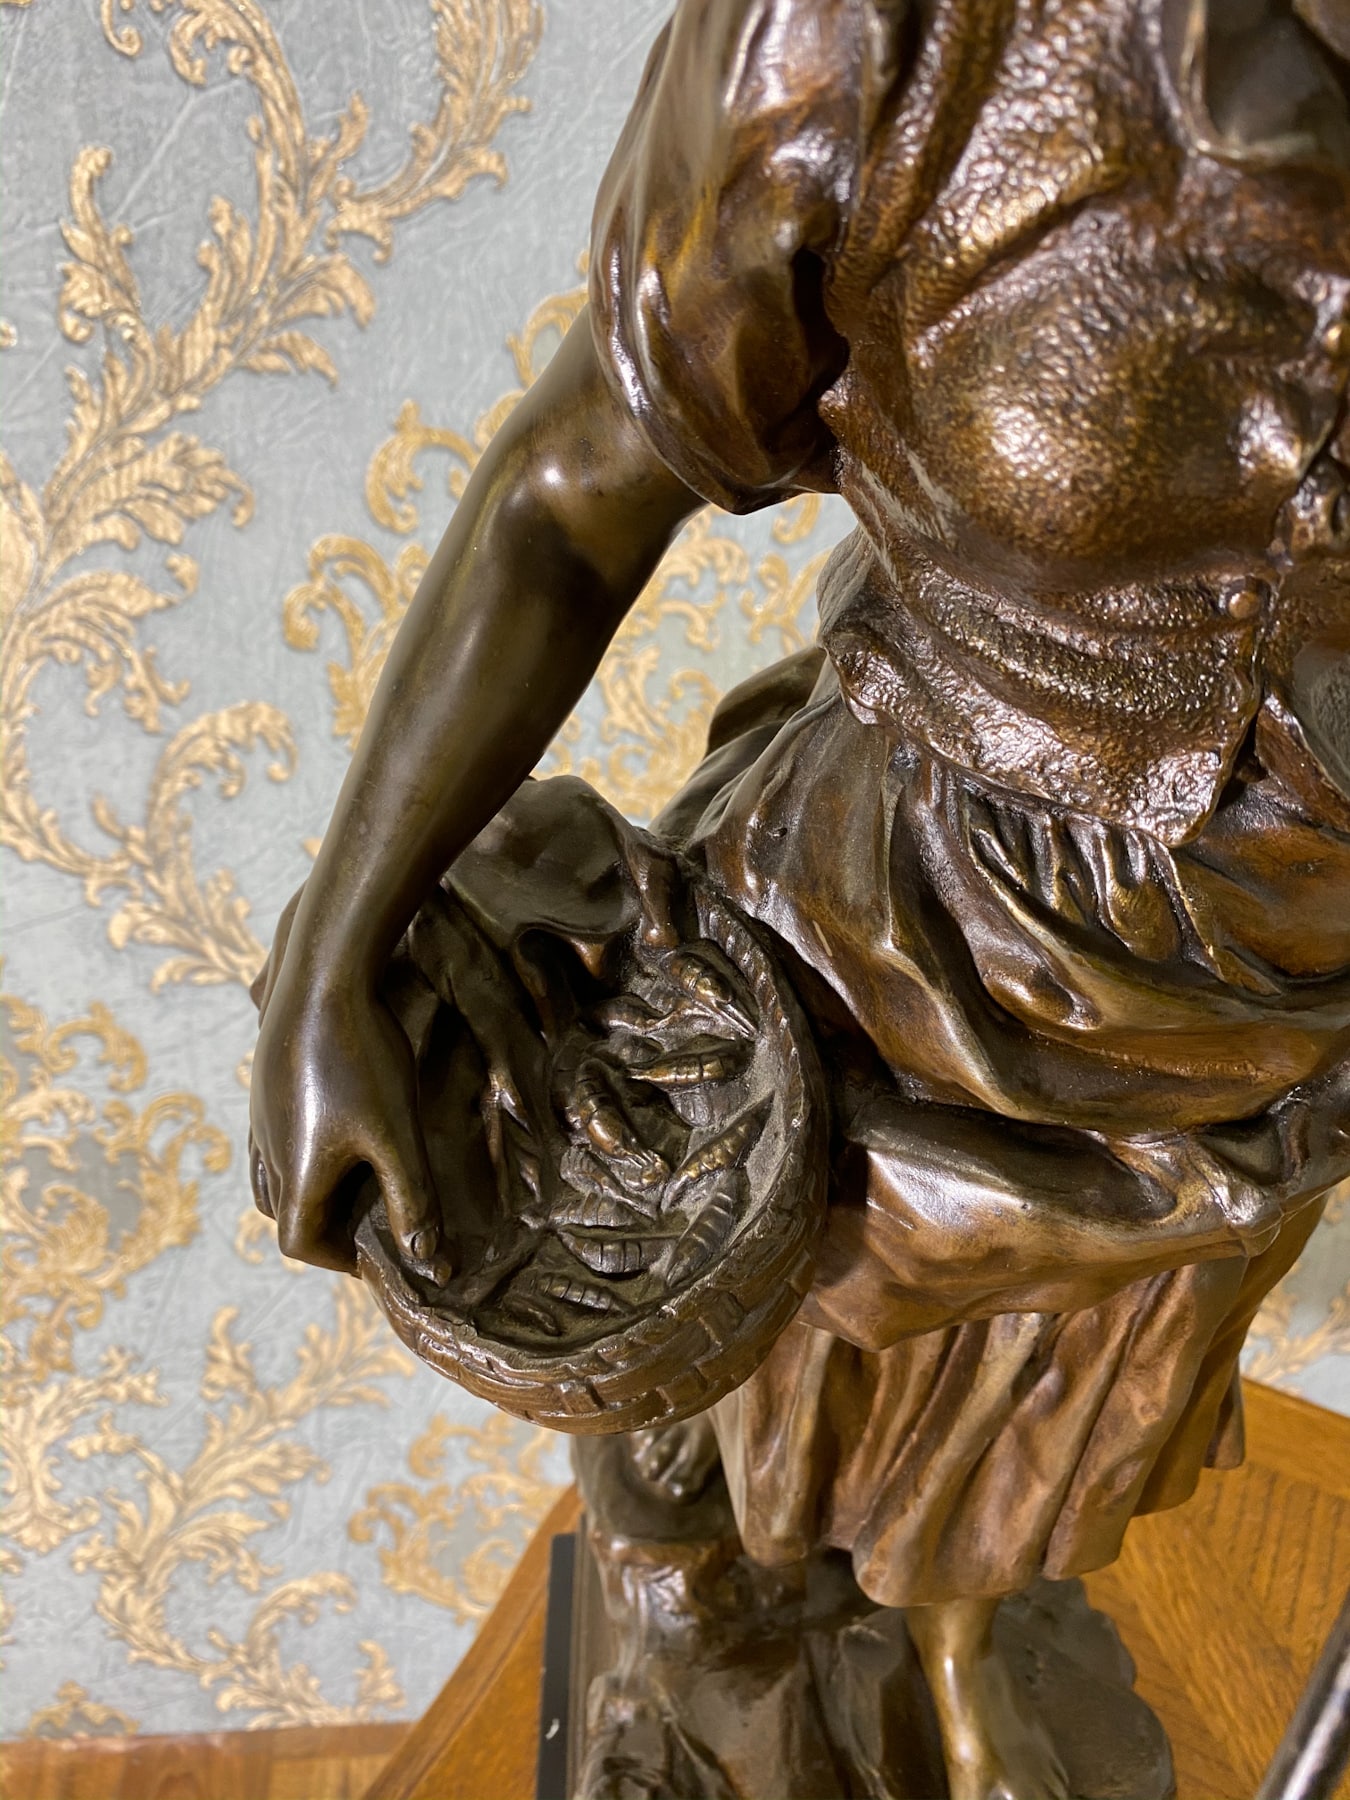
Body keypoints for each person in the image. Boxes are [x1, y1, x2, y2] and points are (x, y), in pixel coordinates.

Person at [249, 2, 1350, 1794]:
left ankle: (962, 1656)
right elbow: (570, 491)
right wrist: (336, 955)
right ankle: (719, 1667)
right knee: (748, 1416)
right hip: (893, 950)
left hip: (1279, 1021)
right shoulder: (888, 37)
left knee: (1039, 1433)